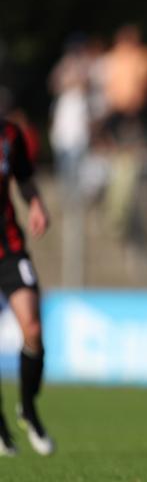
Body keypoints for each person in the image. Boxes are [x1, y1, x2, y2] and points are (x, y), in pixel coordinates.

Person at [0, 118, 54, 456]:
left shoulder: (9, 133)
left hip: (9, 247)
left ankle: (28, 408)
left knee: (33, 328)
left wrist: (35, 202)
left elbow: (23, 177)